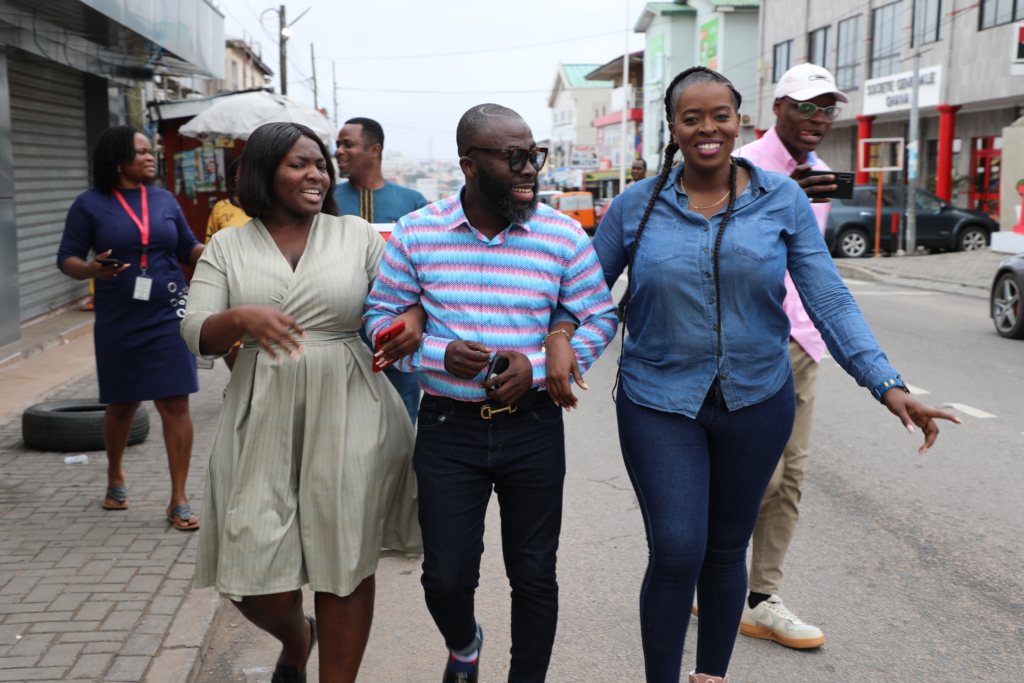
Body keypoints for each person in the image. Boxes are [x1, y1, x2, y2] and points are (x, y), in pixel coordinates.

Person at [591, 66, 960, 683]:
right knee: (678, 548)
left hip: (758, 399)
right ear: (673, 128)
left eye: (721, 115)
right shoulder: (636, 206)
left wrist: (887, 385)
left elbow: (830, 301)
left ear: (739, 121)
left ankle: (711, 675)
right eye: (692, 117)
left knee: (726, 548)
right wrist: (556, 346)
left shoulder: (781, 198)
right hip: (658, 399)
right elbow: (586, 296)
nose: (708, 128)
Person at [364, 103, 618, 683]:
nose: (531, 169)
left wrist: (543, 361)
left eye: (535, 155)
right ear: (469, 165)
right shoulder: (417, 233)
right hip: (448, 427)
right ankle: (463, 643)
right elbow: (377, 316)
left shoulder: (560, 234)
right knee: (446, 577)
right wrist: (436, 353)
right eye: (514, 157)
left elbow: (598, 315)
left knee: (533, 573)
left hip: (531, 427)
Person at [181, 121, 423, 683]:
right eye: (299, 163)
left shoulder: (356, 235)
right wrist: (240, 319)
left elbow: (404, 303)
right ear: (265, 171)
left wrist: (408, 324)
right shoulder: (228, 244)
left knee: (345, 566)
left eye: (321, 164)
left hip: (351, 411)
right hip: (262, 415)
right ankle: (297, 637)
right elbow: (196, 332)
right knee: (252, 578)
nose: (316, 173)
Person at [728, 62, 846, 649]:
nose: (817, 119)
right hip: (746, 340)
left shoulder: (819, 173)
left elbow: (810, 265)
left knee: (790, 476)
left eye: (827, 108)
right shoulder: (741, 165)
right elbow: (721, 240)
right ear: (778, 107)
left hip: (802, 341)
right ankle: (710, 577)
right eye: (806, 105)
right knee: (753, 474)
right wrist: (783, 198)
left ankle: (760, 598)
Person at [57, 125, 204, 531]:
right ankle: (115, 474)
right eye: (140, 151)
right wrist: (90, 270)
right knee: (122, 405)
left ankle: (178, 498)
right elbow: (67, 257)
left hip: (168, 313)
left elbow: (186, 247)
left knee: (176, 403)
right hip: (119, 318)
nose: (150, 156)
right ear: (119, 159)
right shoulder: (90, 204)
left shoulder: (163, 199)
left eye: (150, 149)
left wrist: (221, 250)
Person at [334, 117, 429, 425]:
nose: (338, 151)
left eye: (347, 144)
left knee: (402, 420)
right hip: (339, 331)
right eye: (337, 144)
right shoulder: (328, 201)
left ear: (374, 150)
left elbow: (429, 269)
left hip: (396, 333)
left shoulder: (412, 202)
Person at [205, 156, 251, 373]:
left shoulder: (272, 208)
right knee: (236, 356)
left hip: (264, 289)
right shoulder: (221, 208)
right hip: (229, 290)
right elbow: (209, 249)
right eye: (240, 175)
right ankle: (236, 384)